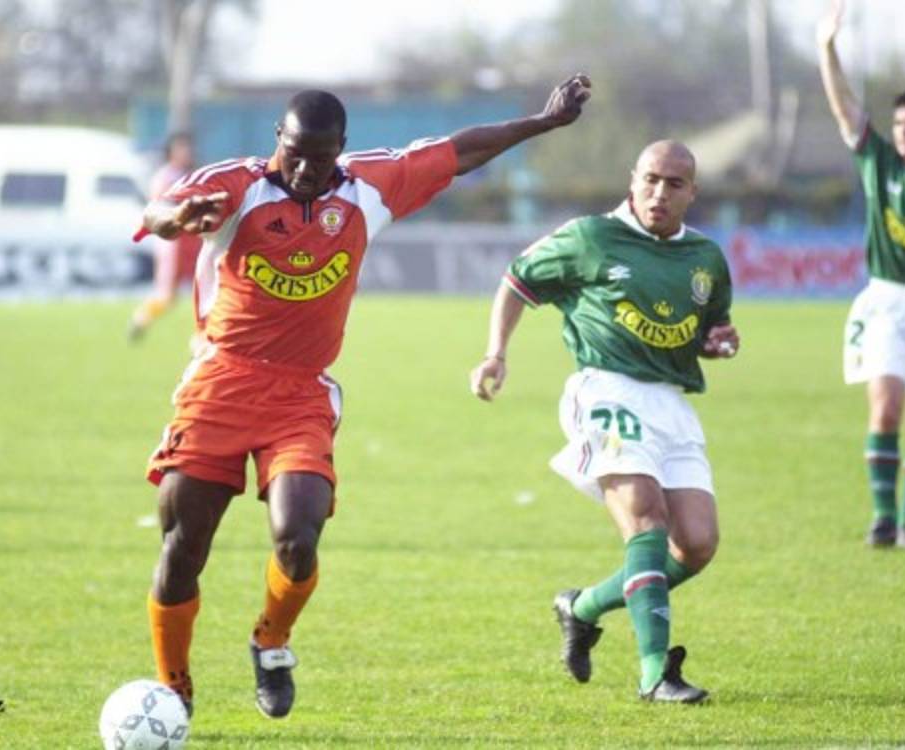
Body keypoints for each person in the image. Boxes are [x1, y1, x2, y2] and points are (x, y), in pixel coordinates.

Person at [133, 75, 592, 719]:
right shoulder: (236, 183)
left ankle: (270, 642)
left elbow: (459, 151)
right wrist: (175, 219)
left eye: (320, 156)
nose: (304, 167)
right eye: (294, 152)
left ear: (340, 149)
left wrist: (542, 122)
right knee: (183, 548)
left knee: (298, 539)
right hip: (220, 383)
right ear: (278, 140)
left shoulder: (369, 186)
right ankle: (173, 691)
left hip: (300, 393)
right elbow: (159, 212)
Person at [470, 140, 739, 704]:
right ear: (632, 179)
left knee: (697, 545)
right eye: (650, 179)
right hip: (605, 391)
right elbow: (517, 280)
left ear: (692, 192)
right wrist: (496, 353)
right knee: (646, 521)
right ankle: (654, 673)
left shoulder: (707, 259)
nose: (659, 193)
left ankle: (582, 607)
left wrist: (718, 342)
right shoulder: (592, 237)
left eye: (673, 184)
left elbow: (709, 328)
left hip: (671, 403)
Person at [818, 0, 905, 549]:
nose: (904, 132)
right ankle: (883, 518)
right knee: (884, 405)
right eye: (900, 123)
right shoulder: (879, 162)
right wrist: (826, 48)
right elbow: (845, 111)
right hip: (888, 301)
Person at [128, 132, 202, 341]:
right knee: (168, 295)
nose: (187, 152)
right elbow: (160, 210)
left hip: (193, 241)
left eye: (188, 148)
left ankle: (203, 336)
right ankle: (141, 318)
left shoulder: (192, 175)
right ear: (171, 152)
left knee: (206, 287)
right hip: (174, 243)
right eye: (182, 148)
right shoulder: (166, 177)